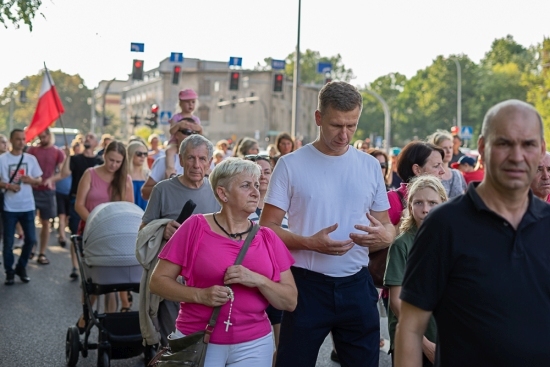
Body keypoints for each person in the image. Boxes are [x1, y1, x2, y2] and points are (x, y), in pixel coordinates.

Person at [395, 100, 550, 367]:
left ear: (542, 149)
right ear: (482, 147)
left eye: (528, 144)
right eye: (504, 143)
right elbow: (410, 328)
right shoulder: (443, 225)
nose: (517, 155)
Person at [261, 81, 395, 367]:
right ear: (319, 118)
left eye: (352, 125)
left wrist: (383, 237)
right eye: (336, 125)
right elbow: (267, 228)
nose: (344, 134)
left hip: (358, 284)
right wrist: (309, 243)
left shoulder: (370, 165)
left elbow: (388, 226)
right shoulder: (290, 164)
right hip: (306, 285)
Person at [149, 158, 297, 367]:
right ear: (222, 193)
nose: (256, 192)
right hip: (198, 339)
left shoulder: (268, 237)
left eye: (256, 185)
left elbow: (290, 301)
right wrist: (200, 295)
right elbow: (157, 282)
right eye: (246, 185)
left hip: (254, 344)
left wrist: (258, 280)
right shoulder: (195, 227)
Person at [138, 134, 222, 347]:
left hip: (208, 275)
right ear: (181, 161)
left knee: (206, 338)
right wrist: (162, 228)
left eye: (202, 159)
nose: (196, 164)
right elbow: (143, 229)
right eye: (191, 158)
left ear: (210, 162)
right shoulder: (162, 189)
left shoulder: (217, 192)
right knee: (175, 338)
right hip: (172, 276)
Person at [384, 175, 448, 366]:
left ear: (443, 204)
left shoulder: (451, 242)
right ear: (410, 206)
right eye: (418, 202)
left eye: (432, 202)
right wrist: (424, 344)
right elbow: (396, 301)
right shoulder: (401, 245)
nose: (426, 209)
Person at [75, 141, 133, 324]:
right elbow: (79, 205)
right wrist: (94, 222)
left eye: (118, 162)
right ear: (104, 155)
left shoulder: (125, 179)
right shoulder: (90, 174)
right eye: (110, 160)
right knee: (94, 279)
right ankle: (87, 314)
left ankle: (112, 320)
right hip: (91, 230)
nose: (113, 165)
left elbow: (128, 209)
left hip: (116, 234)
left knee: (115, 279)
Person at [244, 154, 289, 364]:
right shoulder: (236, 210)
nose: (263, 176)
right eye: (257, 171)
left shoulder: (285, 209)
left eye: (267, 171)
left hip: (280, 281)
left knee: (285, 349)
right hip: (248, 285)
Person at [1, 129, 43, 285]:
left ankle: (21, 267)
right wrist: (7, 185)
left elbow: (39, 179)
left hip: (27, 206)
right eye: (18, 139)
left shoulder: (30, 159)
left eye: (23, 139)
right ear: (11, 140)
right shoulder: (3, 159)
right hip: (9, 207)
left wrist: (31, 179)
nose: (21, 142)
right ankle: (9, 272)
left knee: (31, 239)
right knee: (8, 243)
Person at [60, 132, 102, 278]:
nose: (87, 139)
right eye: (86, 137)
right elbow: (64, 173)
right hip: (76, 201)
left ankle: (92, 263)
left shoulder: (100, 161)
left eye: (91, 137)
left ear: (96, 143)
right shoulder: (75, 158)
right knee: (76, 234)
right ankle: (75, 266)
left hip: (96, 204)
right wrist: (66, 156)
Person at [27, 128, 66, 265]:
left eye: (44, 136)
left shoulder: (57, 152)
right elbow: (26, 167)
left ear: (50, 136)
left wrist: (51, 180)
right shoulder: (33, 150)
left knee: (45, 222)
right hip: (32, 190)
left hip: (48, 191)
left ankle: (42, 253)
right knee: (29, 221)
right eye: (40, 137)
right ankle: (32, 246)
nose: (42, 139)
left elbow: (63, 173)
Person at [141, 118, 203, 200]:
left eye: (195, 133)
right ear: (176, 135)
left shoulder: (208, 163)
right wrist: (167, 187)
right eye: (186, 132)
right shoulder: (163, 162)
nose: (191, 136)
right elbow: (145, 192)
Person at [387, 141, 445, 227]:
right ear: (417, 170)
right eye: (436, 166)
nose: (442, 171)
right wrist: (404, 224)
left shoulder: (441, 196)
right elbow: (380, 238)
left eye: (432, 203)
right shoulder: (391, 200)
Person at [165, 89, 201, 178]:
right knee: (169, 151)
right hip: (175, 143)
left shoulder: (196, 119)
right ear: (180, 103)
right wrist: (178, 125)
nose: (190, 104)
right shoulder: (176, 117)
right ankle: (171, 169)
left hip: (191, 143)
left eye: (193, 102)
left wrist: (199, 128)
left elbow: (200, 134)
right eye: (187, 102)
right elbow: (171, 131)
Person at [427, 130, 467, 198]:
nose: (448, 151)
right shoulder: (430, 175)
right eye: (444, 148)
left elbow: (466, 197)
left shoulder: (457, 174)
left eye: (450, 147)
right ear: (435, 149)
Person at [127, 141, 150, 210]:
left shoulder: (148, 174)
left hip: (146, 215)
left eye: (145, 154)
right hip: (129, 212)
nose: (142, 156)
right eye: (139, 154)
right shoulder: (124, 174)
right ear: (131, 154)